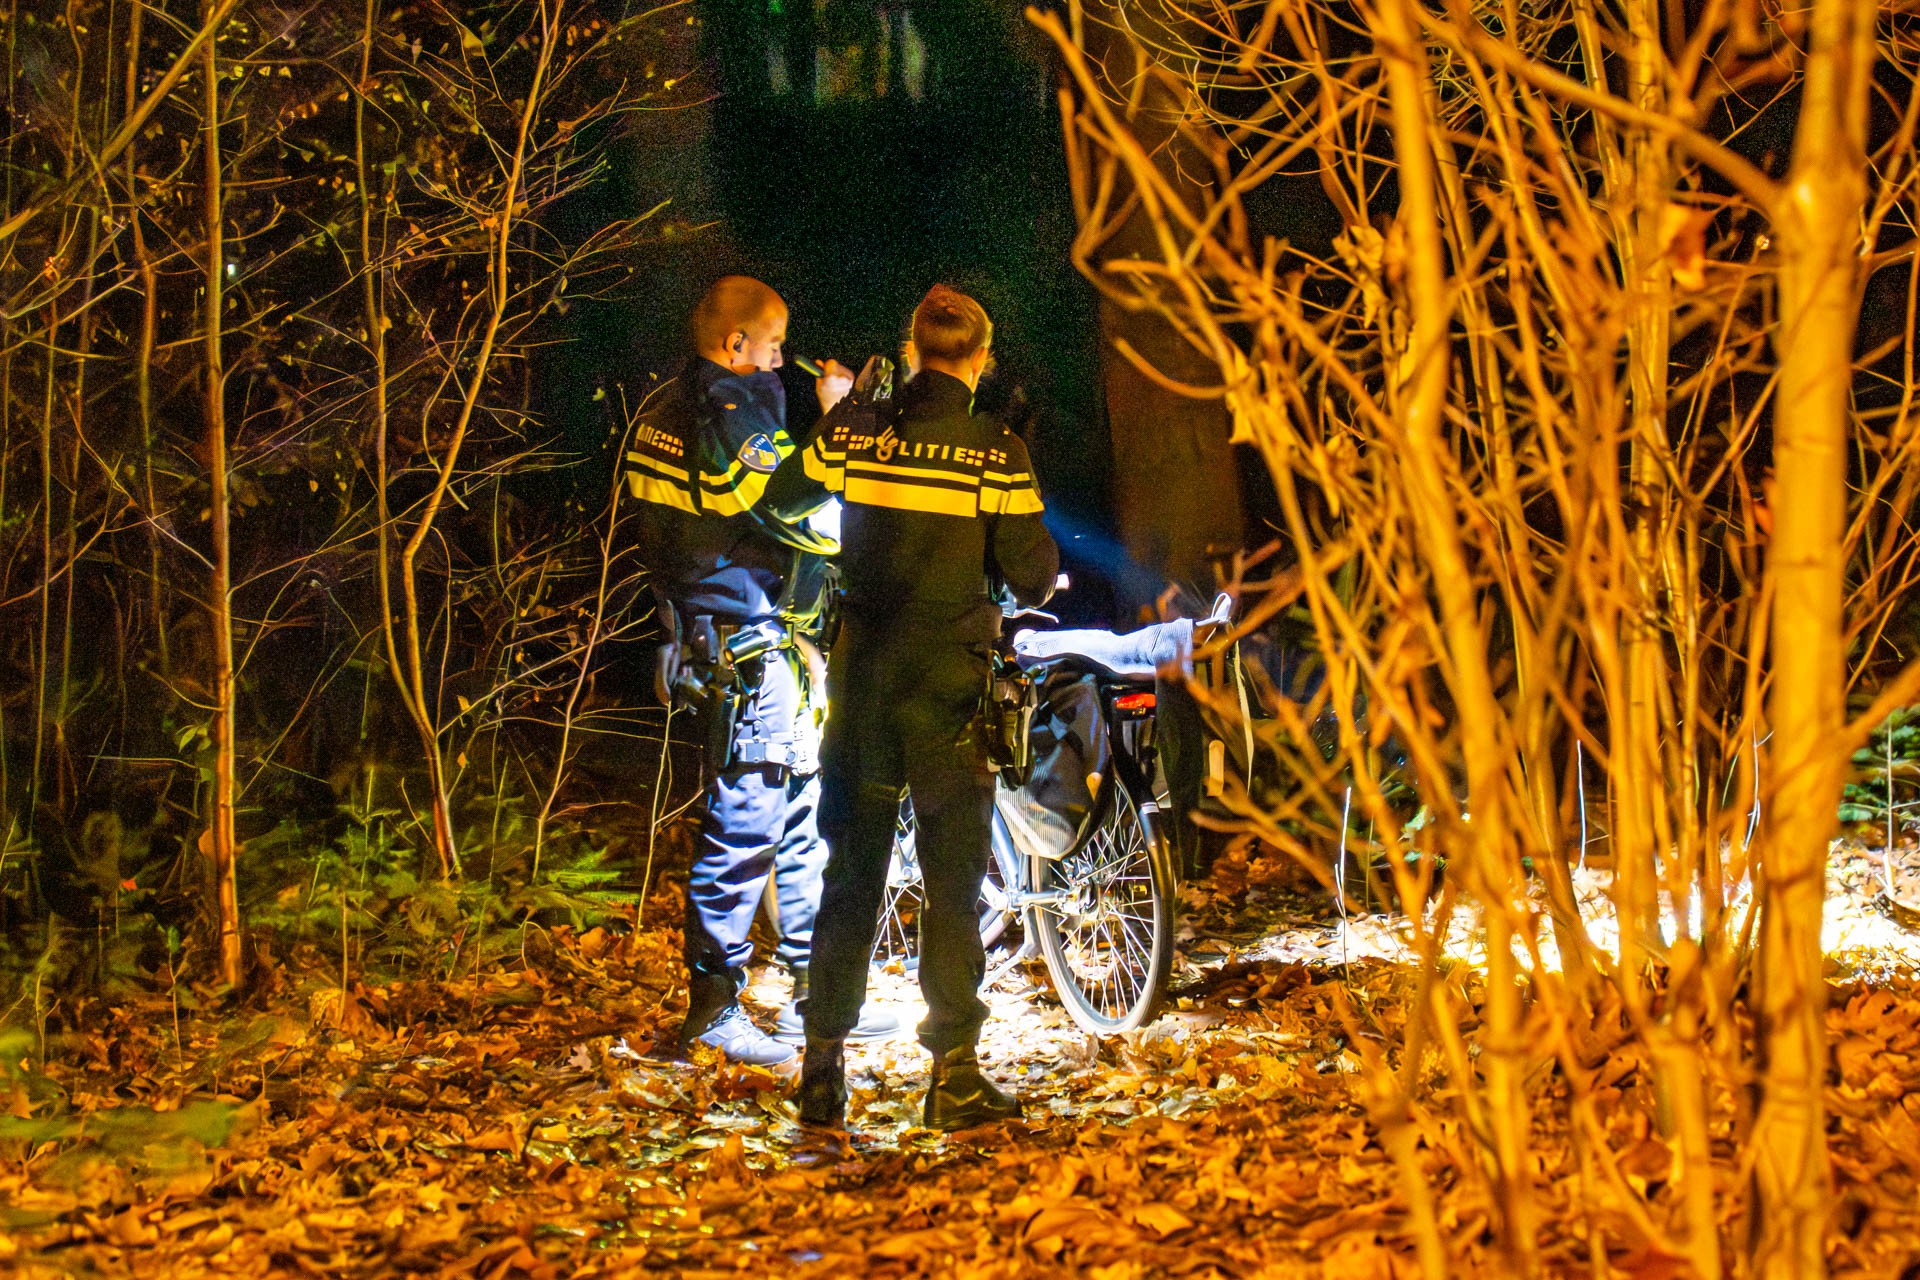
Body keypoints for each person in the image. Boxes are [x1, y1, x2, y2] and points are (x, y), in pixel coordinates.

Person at [761, 285, 1060, 1129]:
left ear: (915, 350)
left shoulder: (864, 432)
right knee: (952, 880)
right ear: (980, 358)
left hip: (863, 677)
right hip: (951, 686)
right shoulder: (995, 451)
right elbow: (1033, 573)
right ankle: (954, 1076)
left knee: (850, 869)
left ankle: (823, 1068)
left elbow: (783, 502)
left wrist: (846, 414)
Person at [623, 275, 897, 1066]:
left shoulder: (669, 404)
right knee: (747, 824)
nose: (783, 356)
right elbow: (796, 510)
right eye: (773, 344)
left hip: (732, 635)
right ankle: (712, 1009)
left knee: (801, 817)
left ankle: (819, 993)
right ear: (733, 344)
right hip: (748, 642)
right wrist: (844, 424)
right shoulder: (738, 407)